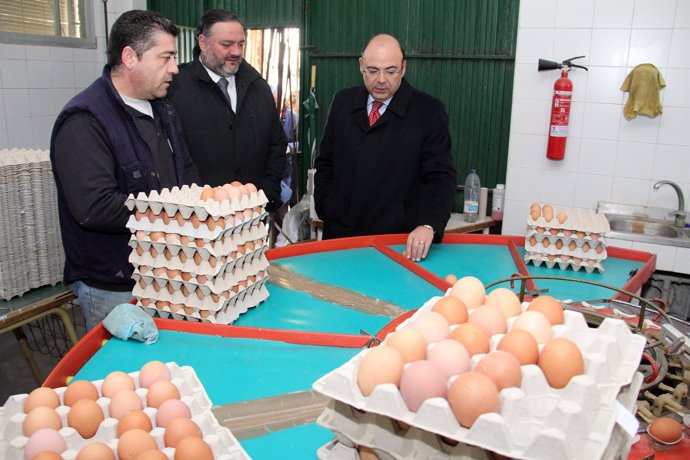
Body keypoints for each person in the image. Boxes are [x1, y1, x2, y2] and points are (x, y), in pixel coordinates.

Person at [50, 10, 201, 330]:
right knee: (120, 374)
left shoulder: (164, 108)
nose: (175, 68)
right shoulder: (84, 121)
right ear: (130, 57)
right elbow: (94, 207)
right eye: (166, 58)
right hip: (115, 283)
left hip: (166, 272)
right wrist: (174, 214)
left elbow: (186, 171)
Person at [314, 34, 457, 262]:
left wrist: (428, 224)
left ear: (403, 68)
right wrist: (329, 207)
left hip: (396, 243)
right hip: (341, 238)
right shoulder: (343, 102)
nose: (381, 79)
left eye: (390, 71)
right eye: (373, 71)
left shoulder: (428, 112)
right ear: (361, 65)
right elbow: (325, 164)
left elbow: (441, 177)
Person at [167, 9, 287, 212]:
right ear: (202, 42)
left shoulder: (258, 86)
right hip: (197, 218)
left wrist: (268, 192)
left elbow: (276, 144)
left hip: (253, 215)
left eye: (241, 44)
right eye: (227, 44)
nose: (236, 52)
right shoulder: (175, 89)